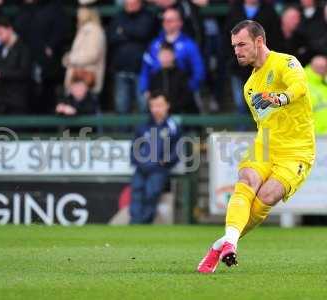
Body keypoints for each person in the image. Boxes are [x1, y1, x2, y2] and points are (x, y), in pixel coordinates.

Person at [197, 20, 315, 273]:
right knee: (247, 179)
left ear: (259, 41)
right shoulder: (249, 87)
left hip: (297, 149)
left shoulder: (286, 62)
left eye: (242, 44)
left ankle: (222, 244)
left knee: (266, 197)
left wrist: (280, 97)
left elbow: (300, 87)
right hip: (266, 144)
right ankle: (230, 243)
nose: (237, 50)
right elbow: (263, 122)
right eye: (234, 46)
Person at [129, 91, 182, 224]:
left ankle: (144, 222)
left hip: (158, 169)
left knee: (151, 194)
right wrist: (136, 161)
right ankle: (134, 222)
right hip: (141, 168)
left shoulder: (172, 126)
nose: (156, 109)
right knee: (136, 193)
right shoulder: (143, 126)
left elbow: (178, 148)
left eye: (159, 105)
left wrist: (167, 161)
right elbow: (135, 145)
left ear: (167, 106)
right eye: (153, 106)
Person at [140, 8, 205, 113]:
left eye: (170, 20)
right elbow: (146, 68)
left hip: (181, 95)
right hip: (157, 93)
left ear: (180, 22)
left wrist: (189, 89)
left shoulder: (189, 44)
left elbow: (198, 70)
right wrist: (145, 89)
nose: (166, 23)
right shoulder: (154, 44)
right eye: (164, 20)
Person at [108, 0, 157, 114]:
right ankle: (123, 132)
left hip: (141, 69)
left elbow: (143, 32)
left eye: (133, 2)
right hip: (121, 67)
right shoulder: (118, 16)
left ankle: (144, 132)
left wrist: (123, 30)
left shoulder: (147, 15)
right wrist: (131, 33)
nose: (129, 4)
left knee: (143, 106)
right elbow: (111, 37)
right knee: (121, 106)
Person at [0, 16, 31, 114]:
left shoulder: (23, 48)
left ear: (9, 29)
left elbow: (24, 72)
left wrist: (0, 74)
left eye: (1, 33)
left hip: (17, 102)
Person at [63, 1, 106, 98]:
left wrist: (71, 59)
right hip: (78, 82)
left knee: (86, 109)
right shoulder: (84, 29)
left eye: (81, 9)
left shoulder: (94, 30)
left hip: (87, 81)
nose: (79, 12)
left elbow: (92, 55)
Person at [149, 42, 191, 113]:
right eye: (162, 54)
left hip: (179, 113)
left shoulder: (182, 75)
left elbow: (186, 98)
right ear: (158, 56)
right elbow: (153, 97)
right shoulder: (155, 76)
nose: (165, 57)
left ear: (174, 55)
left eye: (167, 54)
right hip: (159, 114)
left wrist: (169, 107)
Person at [305, 55, 327, 135]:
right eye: (320, 67)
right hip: (314, 135)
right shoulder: (304, 83)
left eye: (324, 67)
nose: (323, 70)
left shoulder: (323, 84)